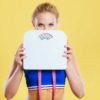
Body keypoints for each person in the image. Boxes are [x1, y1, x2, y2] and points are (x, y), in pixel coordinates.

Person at [4, 2, 85, 100]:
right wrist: (20, 67)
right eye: (40, 25)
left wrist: (66, 64)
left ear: (57, 24)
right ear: (34, 24)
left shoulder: (65, 48)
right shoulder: (24, 48)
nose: (46, 29)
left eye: (51, 24)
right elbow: (8, 95)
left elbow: (80, 93)